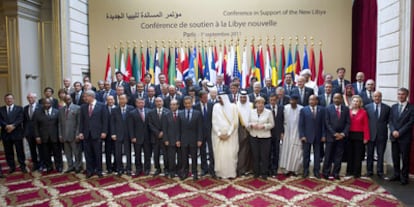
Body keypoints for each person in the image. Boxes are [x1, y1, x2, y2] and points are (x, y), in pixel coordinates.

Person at [78, 90, 108, 178]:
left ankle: (99, 170)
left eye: (85, 96)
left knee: (98, 153)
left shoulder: (102, 106)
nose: (84, 98)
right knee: (88, 154)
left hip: (97, 134)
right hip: (87, 134)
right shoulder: (83, 107)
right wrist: (81, 132)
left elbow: (105, 120)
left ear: (91, 96)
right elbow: (81, 121)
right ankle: (89, 170)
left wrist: (104, 131)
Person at [387, 88, 414, 185]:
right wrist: (393, 130)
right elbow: (390, 120)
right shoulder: (393, 107)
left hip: (404, 137)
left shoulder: (411, 108)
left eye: (402, 94)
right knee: (395, 157)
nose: (400, 96)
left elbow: (410, 123)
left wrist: (400, 132)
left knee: (405, 158)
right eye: (399, 94)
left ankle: (404, 177)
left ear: (406, 95)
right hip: (394, 136)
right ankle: (396, 174)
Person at [322, 93, 350, 180]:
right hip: (331, 136)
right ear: (332, 99)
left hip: (341, 137)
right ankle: (326, 172)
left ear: (341, 99)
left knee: (339, 156)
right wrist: (334, 133)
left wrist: (342, 134)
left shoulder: (345, 109)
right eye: (335, 98)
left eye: (338, 98)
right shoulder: (328, 108)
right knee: (328, 155)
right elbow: (327, 123)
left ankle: (336, 173)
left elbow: (348, 123)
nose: (336, 100)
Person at [212, 92, 239, 179]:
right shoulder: (216, 107)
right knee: (219, 155)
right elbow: (214, 121)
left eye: (221, 98)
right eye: (218, 98)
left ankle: (230, 173)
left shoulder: (233, 107)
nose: (219, 100)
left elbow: (235, 122)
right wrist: (219, 134)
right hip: (218, 136)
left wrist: (228, 134)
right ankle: (220, 174)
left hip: (230, 136)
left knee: (230, 155)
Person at [247, 97, 274, 179]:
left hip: (265, 137)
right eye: (258, 103)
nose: (260, 105)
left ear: (264, 104)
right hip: (254, 136)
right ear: (255, 104)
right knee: (255, 155)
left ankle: (264, 173)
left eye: (262, 103)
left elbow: (272, 124)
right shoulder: (251, 112)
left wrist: (264, 126)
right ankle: (256, 173)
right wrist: (251, 125)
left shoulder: (268, 112)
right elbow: (247, 123)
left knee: (264, 156)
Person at [299, 95, 325, 178]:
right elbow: (301, 124)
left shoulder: (322, 110)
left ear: (317, 101)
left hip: (318, 136)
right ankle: (305, 171)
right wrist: (302, 135)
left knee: (317, 155)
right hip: (306, 136)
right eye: (310, 99)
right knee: (306, 155)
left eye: (313, 100)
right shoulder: (303, 110)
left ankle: (316, 171)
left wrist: (324, 135)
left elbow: (324, 124)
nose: (311, 101)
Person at [365, 91, 390, 178]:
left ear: (381, 97)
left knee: (380, 154)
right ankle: (369, 171)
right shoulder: (367, 107)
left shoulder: (387, 108)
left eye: (379, 96)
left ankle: (380, 172)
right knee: (369, 154)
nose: (377, 98)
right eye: (375, 96)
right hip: (371, 135)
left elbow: (388, 121)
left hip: (382, 135)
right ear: (373, 97)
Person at [0, 93, 26, 174]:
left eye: (10, 98)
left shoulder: (19, 108)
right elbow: (0, 120)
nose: (9, 100)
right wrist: (6, 126)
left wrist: (13, 126)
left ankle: (22, 166)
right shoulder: (1, 109)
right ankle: (12, 167)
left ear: (13, 99)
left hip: (17, 133)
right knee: (8, 152)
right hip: (6, 133)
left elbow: (21, 118)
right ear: (5, 100)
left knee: (20, 151)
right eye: (7, 99)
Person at [34, 98, 62, 173]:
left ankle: (58, 166)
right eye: (44, 103)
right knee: (46, 154)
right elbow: (36, 126)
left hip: (55, 137)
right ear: (42, 104)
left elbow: (60, 125)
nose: (46, 105)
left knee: (57, 153)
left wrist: (60, 135)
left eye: (48, 103)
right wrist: (37, 136)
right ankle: (49, 167)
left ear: (51, 104)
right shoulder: (38, 113)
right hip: (43, 137)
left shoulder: (57, 112)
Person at [178, 96, 203, 180]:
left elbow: (200, 127)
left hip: (194, 139)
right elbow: (178, 128)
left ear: (192, 103)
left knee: (194, 157)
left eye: (189, 103)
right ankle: (185, 172)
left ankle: (194, 172)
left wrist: (199, 139)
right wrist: (178, 139)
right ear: (184, 104)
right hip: (183, 139)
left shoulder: (197, 113)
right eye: (186, 103)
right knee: (184, 157)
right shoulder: (180, 113)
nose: (188, 105)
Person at [346, 95, 370, 178]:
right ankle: (349, 171)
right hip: (349, 135)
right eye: (354, 101)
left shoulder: (363, 112)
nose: (355, 103)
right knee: (349, 154)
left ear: (360, 103)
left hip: (359, 135)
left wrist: (366, 137)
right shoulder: (347, 111)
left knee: (358, 155)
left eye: (357, 101)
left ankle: (357, 173)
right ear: (351, 102)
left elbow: (366, 125)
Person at [279, 95, 303, 176]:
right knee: (287, 150)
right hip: (287, 132)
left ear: (297, 101)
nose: (292, 102)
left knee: (296, 151)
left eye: (294, 100)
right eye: (291, 100)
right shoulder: (285, 108)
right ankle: (286, 170)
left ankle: (295, 170)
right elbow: (282, 121)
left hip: (297, 133)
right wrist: (282, 132)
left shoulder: (301, 109)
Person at [110, 94, 134, 176]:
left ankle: (128, 169)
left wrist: (132, 135)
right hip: (118, 134)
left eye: (123, 99)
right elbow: (112, 123)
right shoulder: (114, 110)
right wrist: (113, 133)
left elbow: (133, 123)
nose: (122, 101)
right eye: (120, 99)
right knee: (118, 153)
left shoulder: (131, 109)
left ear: (126, 100)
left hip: (128, 135)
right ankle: (119, 169)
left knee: (128, 153)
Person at [194, 91, 215, 177]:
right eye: (204, 97)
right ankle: (204, 168)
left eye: (207, 97)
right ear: (200, 98)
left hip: (210, 131)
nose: (206, 99)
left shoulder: (211, 105)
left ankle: (212, 168)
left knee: (211, 151)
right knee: (202, 151)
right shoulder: (196, 106)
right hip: (200, 133)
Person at [128, 97, 152, 176]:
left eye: (142, 103)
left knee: (147, 154)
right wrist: (132, 137)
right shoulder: (132, 113)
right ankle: (138, 169)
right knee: (137, 154)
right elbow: (130, 126)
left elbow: (151, 125)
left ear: (144, 103)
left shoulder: (149, 111)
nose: (141, 104)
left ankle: (147, 169)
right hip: (137, 138)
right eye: (139, 103)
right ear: (136, 103)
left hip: (147, 137)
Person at [58, 95, 81, 173]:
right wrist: (60, 134)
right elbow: (59, 123)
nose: (67, 100)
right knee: (67, 153)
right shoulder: (61, 109)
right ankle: (70, 166)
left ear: (71, 99)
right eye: (66, 99)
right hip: (64, 135)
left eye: (69, 99)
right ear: (64, 100)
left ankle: (78, 166)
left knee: (76, 152)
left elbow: (79, 123)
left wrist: (77, 134)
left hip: (74, 135)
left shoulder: (77, 108)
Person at [148, 97, 170, 176]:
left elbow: (169, 124)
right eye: (157, 101)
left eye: (160, 101)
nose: (159, 103)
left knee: (166, 154)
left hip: (165, 137)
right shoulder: (151, 113)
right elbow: (150, 125)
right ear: (155, 103)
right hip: (155, 137)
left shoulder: (168, 111)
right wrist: (157, 133)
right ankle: (158, 168)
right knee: (156, 154)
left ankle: (166, 169)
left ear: (163, 102)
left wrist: (163, 132)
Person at [265, 93, 284, 176]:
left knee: (276, 152)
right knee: (268, 152)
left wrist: (282, 132)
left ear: (277, 100)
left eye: (274, 100)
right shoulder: (265, 108)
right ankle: (268, 169)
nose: (272, 102)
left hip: (277, 134)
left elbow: (283, 121)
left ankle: (274, 169)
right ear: (269, 100)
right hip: (267, 133)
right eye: (271, 100)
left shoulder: (281, 108)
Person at [163, 100, 181, 178]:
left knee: (181, 157)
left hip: (180, 140)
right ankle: (172, 171)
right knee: (171, 157)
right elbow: (165, 128)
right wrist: (166, 139)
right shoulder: (166, 115)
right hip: (170, 140)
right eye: (171, 104)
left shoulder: (182, 114)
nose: (173, 106)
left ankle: (179, 170)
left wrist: (179, 140)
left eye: (174, 104)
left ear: (178, 105)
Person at [23, 92, 42, 171]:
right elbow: (24, 121)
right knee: (32, 150)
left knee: (41, 150)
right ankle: (35, 164)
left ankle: (41, 164)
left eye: (31, 97)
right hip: (29, 133)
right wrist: (25, 132)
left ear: (35, 98)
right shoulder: (25, 108)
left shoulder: (41, 107)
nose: (30, 99)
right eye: (28, 98)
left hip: (39, 133)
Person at [236, 90, 253, 176]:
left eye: (244, 97)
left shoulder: (251, 105)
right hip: (240, 131)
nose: (243, 99)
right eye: (241, 97)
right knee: (241, 151)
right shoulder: (236, 106)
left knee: (249, 151)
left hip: (250, 131)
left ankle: (248, 169)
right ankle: (240, 169)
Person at [104, 95, 117, 174]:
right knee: (108, 152)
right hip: (107, 134)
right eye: (109, 100)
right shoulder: (103, 109)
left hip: (116, 134)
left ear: (114, 100)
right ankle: (109, 167)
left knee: (116, 152)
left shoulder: (117, 108)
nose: (110, 101)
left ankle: (116, 166)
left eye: (112, 99)